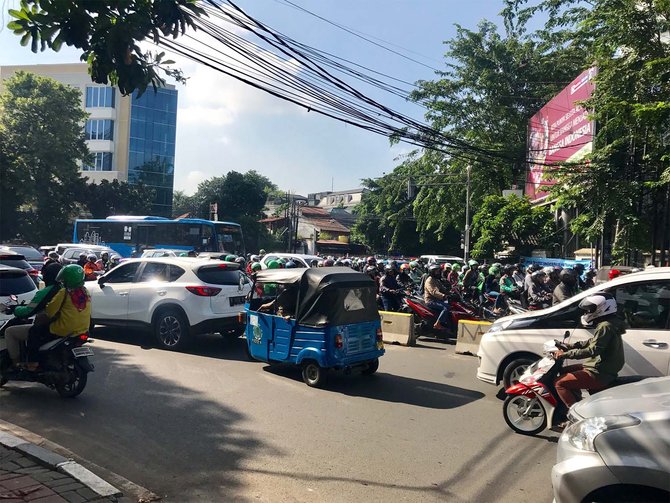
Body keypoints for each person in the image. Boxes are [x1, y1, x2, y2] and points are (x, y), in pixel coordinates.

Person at [552, 294, 625, 424]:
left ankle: (575, 417)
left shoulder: (605, 326)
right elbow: (593, 341)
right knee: (564, 371)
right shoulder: (611, 323)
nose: (587, 313)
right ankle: (579, 404)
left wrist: (565, 354)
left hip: (599, 372)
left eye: (590, 310)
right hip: (601, 367)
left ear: (602, 308)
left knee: (559, 383)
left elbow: (592, 350)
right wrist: (571, 346)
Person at [5, 264, 90, 371]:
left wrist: (15, 309)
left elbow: (48, 311)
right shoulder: (85, 291)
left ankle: (30, 363)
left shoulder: (62, 292)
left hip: (62, 329)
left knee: (33, 333)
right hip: (81, 329)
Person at [4, 262, 63, 369]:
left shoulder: (48, 291)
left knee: (10, 332)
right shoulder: (66, 289)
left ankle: (17, 365)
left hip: (50, 327)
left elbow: (29, 311)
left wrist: (15, 309)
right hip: (66, 326)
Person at [423, 264, 452, 331]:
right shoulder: (429, 281)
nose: (438, 273)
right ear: (432, 272)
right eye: (436, 271)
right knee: (446, 307)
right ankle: (437, 324)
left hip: (437, 299)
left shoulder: (436, 280)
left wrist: (450, 292)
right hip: (431, 301)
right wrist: (443, 296)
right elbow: (434, 292)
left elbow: (442, 289)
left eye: (438, 271)